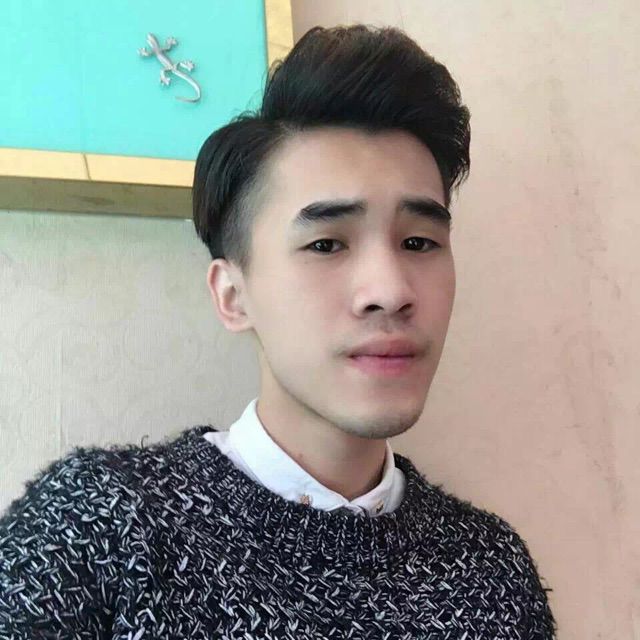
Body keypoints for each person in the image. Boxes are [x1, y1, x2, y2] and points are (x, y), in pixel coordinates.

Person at [0, 24, 557, 638]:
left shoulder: (493, 572)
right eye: (326, 244)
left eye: (419, 242)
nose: (391, 291)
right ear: (233, 295)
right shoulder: (96, 524)